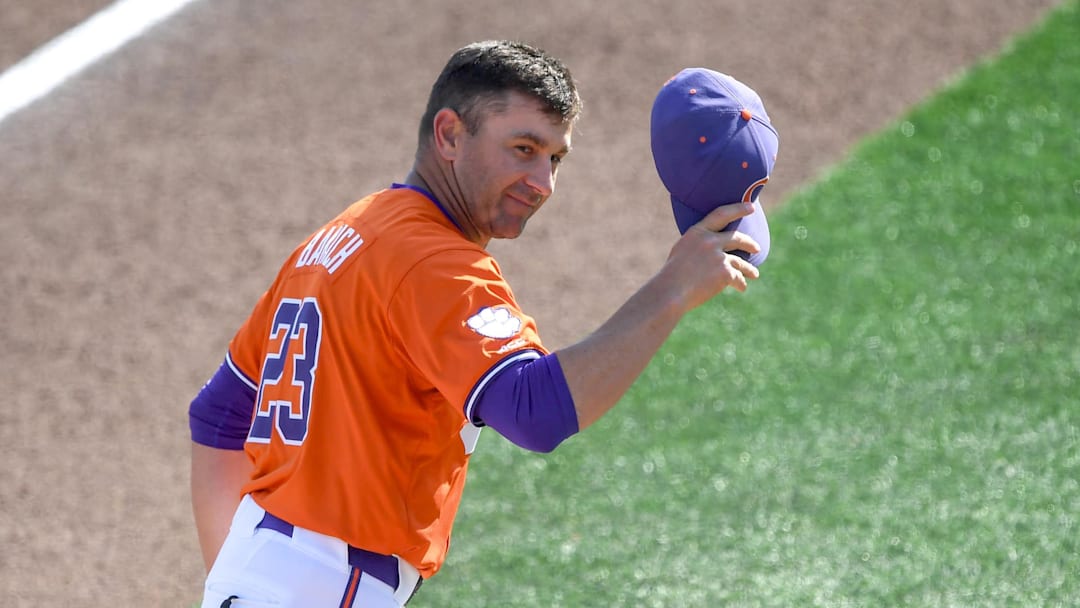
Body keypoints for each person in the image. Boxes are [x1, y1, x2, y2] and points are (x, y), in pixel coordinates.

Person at [189, 40, 770, 608]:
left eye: (555, 158)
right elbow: (533, 412)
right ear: (449, 135)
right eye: (523, 148)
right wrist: (671, 289)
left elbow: (220, 413)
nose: (543, 183)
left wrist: (244, 576)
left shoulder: (344, 234)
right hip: (321, 587)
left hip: (267, 576)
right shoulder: (437, 263)